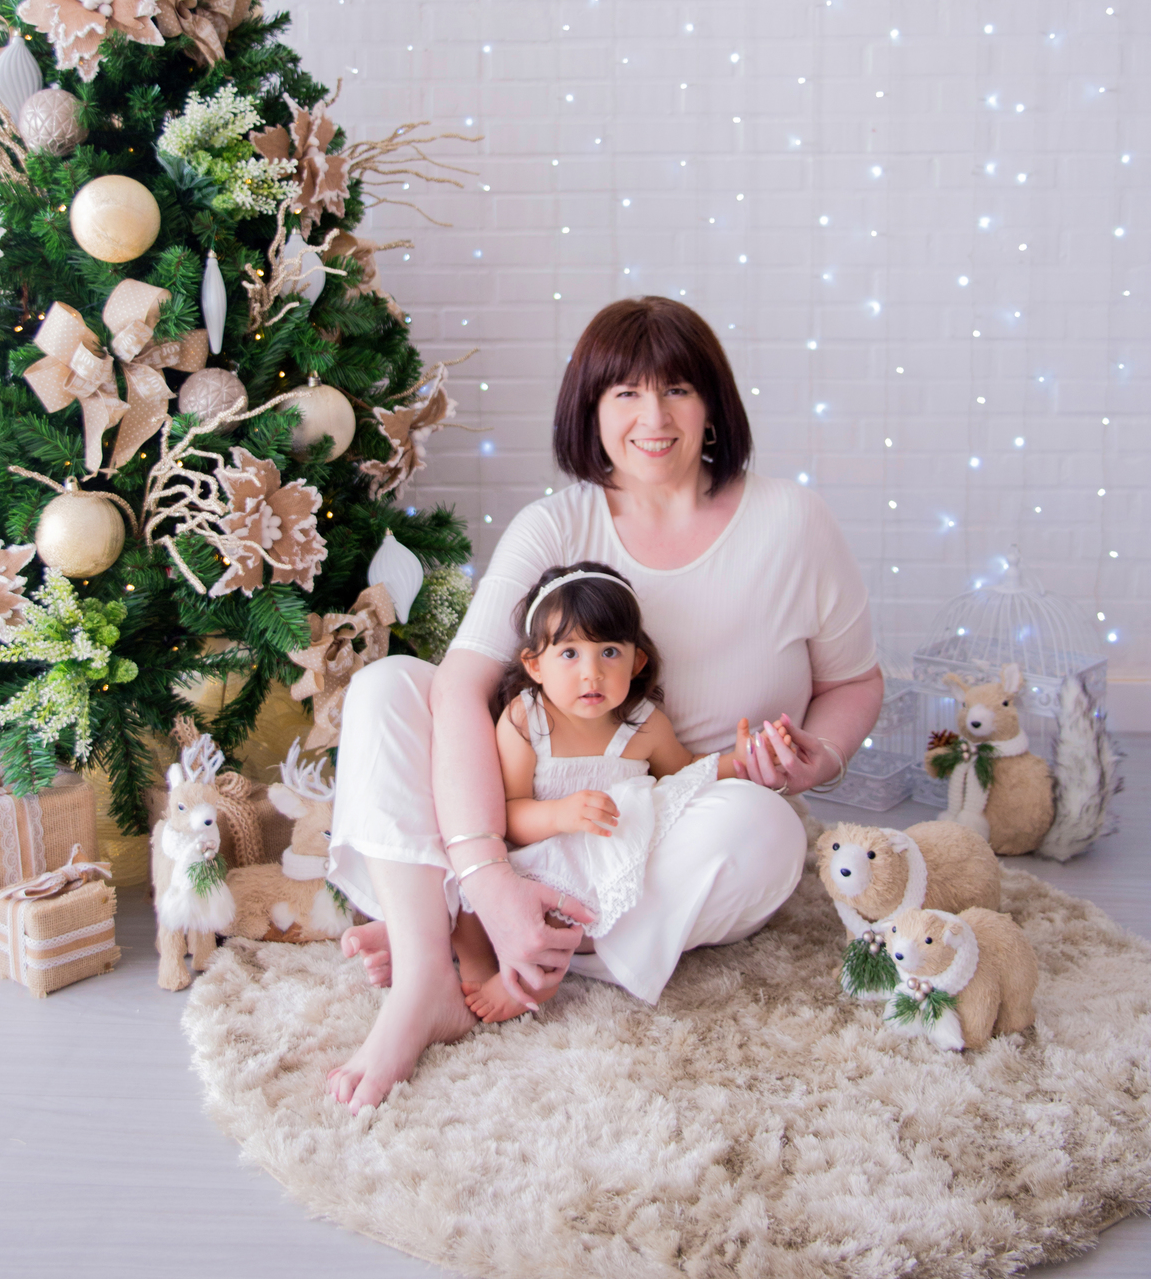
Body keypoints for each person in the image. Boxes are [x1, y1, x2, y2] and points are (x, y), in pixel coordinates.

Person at [326, 296, 882, 1112]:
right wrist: (487, 871)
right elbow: (461, 686)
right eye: (625, 393)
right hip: (532, 810)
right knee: (388, 688)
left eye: (678, 390)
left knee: (762, 831)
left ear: (713, 406)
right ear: (590, 410)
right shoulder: (555, 525)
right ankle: (433, 972)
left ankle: (471, 934)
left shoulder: (793, 522)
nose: (653, 417)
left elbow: (854, 684)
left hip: (679, 818)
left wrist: (820, 757)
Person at [455, 560, 783, 1022]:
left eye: (609, 652)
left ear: (637, 660)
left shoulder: (644, 724)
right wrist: (561, 816)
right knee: (467, 893)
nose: (592, 673)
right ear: (535, 666)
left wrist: (743, 761)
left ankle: (533, 972)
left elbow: (686, 775)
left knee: (582, 915)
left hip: (609, 860)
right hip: (538, 860)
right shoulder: (526, 720)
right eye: (569, 654)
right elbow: (506, 814)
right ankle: (473, 958)